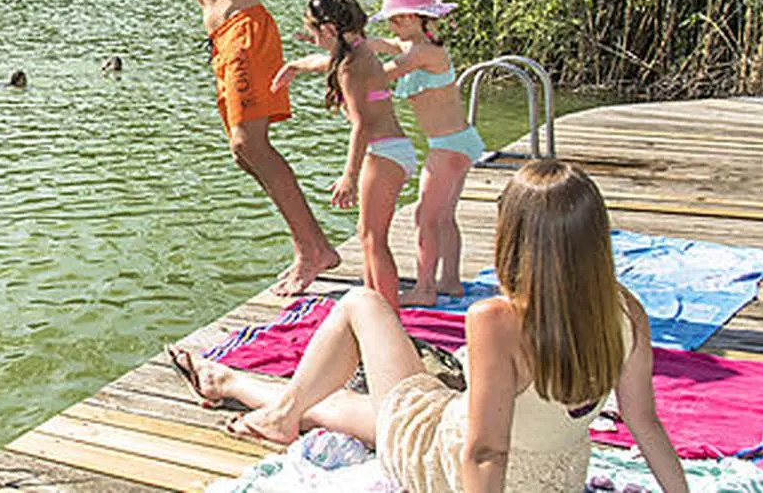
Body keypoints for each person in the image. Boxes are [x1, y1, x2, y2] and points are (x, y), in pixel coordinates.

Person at [168, 160, 688, 493]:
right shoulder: (625, 311)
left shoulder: (498, 321)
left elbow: (486, 453)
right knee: (380, 410)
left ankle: (281, 410)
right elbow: (646, 423)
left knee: (361, 304)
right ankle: (240, 386)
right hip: (556, 477)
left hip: (452, 469)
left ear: (513, 238)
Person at [15, 0, 339, 293]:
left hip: (246, 27)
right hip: (220, 41)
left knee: (253, 144)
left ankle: (313, 250)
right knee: (243, 152)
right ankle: (311, 245)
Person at [274, 0, 482, 306]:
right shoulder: (411, 46)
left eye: (396, 21)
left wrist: (349, 175)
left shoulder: (418, 54)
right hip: (450, 142)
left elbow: (372, 80)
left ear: (412, 17)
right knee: (439, 218)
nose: (392, 30)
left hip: (443, 146)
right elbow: (362, 51)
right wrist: (303, 62)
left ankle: (422, 290)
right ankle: (449, 281)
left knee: (418, 221)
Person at [292, 0, 414, 310]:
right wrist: (295, 66)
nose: (312, 37)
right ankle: (377, 308)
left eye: (313, 31)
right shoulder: (360, 51)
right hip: (393, 149)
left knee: (375, 241)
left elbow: (362, 124)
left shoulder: (351, 65)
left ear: (329, 30)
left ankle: (388, 317)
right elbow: (326, 60)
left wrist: (349, 174)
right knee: (367, 236)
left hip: (384, 152)